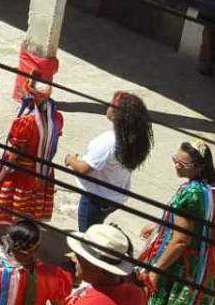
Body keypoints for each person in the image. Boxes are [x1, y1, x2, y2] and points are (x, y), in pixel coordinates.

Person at [138, 140, 215, 305]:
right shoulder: (214, 187)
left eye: (181, 164)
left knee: (142, 296)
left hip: (180, 259)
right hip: (197, 260)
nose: (176, 166)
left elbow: (181, 239)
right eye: (174, 160)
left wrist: (156, 269)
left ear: (198, 166)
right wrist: (159, 225)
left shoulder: (192, 194)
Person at [0, 75, 64, 226]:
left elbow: (16, 153)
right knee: (28, 208)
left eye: (24, 92)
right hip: (41, 171)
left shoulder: (26, 122)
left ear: (33, 98)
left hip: (20, 172)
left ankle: (14, 239)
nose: (22, 94)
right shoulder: (56, 117)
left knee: (15, 209)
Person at [63, 92, 153, 231]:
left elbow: (84, 169)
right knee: (97, 228)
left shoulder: (108, 142)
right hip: (117, 196)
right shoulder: (134, 137)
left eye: (110, 105)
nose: (107, 107)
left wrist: (71, 160)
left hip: (97, 198)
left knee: (88, 235)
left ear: (118, 114)